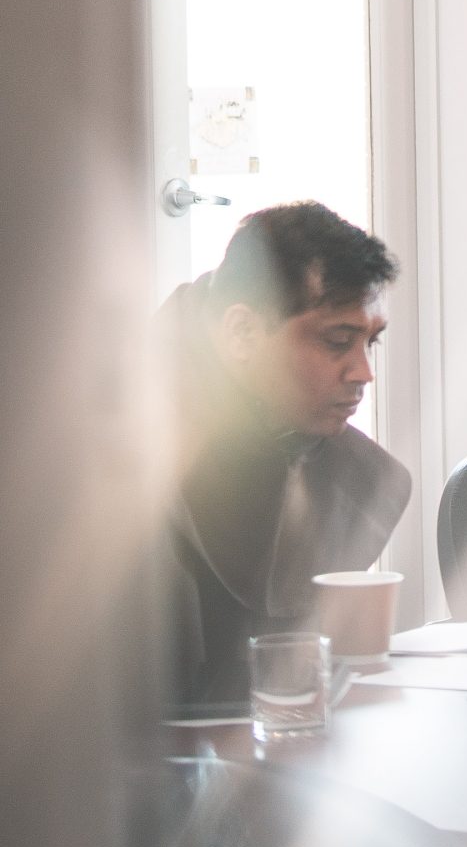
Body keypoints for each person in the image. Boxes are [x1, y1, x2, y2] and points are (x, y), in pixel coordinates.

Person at [160, 203, 412, 705]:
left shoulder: (345, 464)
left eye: (370, 343)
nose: (363, 373)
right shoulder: (112, 448)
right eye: (338, 341)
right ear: (242, 333)